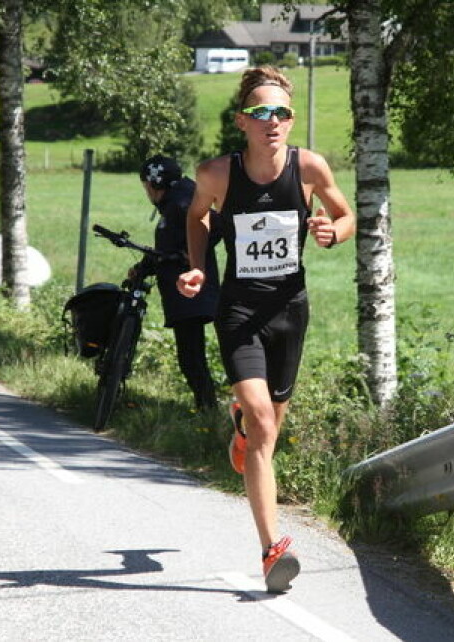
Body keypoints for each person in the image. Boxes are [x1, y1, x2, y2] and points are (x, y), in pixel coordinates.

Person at [176, 66, 356, 593]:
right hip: (238, 310)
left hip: (289, 310)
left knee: (269, 425)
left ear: (291, 119)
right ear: (242, 122)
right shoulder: (217, 174)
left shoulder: (309, 168)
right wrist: (198, 267)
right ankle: (271, 547)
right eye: (261, 113)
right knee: (261, 419)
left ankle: (243, 429)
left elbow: (346, 216)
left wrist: (332, 230)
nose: (272, 121)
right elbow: (197, 217)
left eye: (282, 112)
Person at [139, 154, 220, 410]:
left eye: (145, 186)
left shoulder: (182, 202)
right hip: (186, 292)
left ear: (153, 184)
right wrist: (142, 268)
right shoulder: (178, 200)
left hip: (190, 292)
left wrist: (192, 255)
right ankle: (206, 407)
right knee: (191, 357)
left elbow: (215, 225)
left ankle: (208, 410)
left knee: (191, 358)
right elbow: (167, 248)